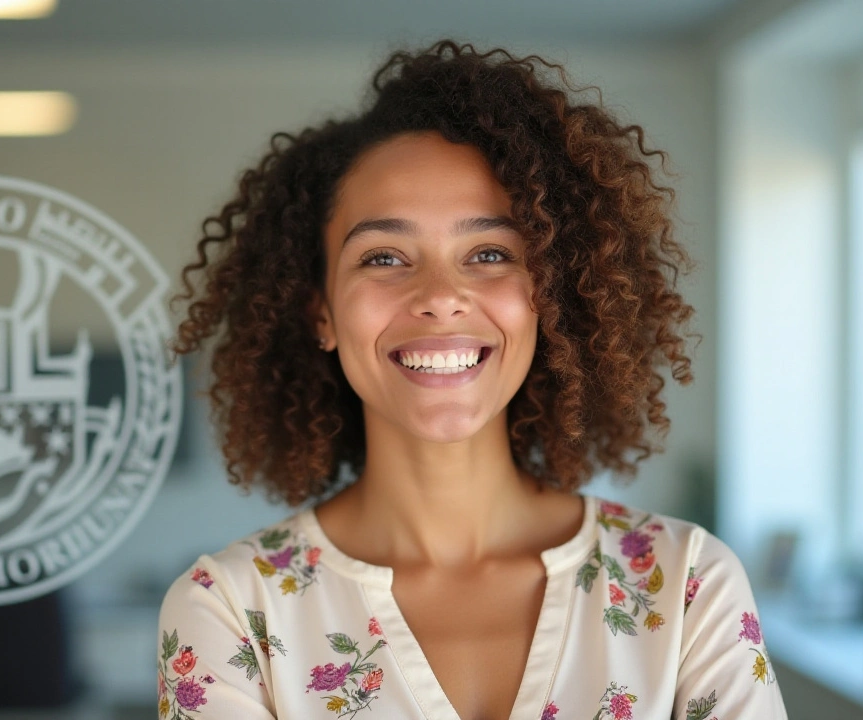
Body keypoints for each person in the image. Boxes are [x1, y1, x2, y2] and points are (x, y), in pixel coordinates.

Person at [157, 39, 788, 720]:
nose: (440, 295)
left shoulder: (685, 585)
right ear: (321, 309)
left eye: (489, 253)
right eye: (385, 256)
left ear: (550, 293)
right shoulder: (229, 611)